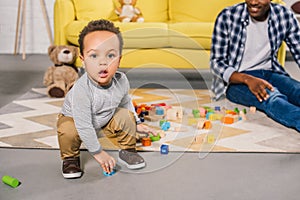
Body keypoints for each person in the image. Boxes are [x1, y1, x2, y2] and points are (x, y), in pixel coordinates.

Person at [57, 19, 157, 179]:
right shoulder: (81, 90)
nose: (103, 62)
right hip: (78, 122)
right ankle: (70, 159)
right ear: (82, 60)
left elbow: (125, 102)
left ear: (119, 59)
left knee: (126, 115)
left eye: (110, 55)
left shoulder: (121, 79)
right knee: (66, 129)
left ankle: (128, 151)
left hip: (104, 120)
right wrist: (99, 153)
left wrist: (137, 123)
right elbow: (83, 126)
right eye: (94, 55)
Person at [210, 0, 300, 132]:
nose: (253, 2)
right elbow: (216, 62)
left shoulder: (284, 15)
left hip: (270, 72)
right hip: (237, 81)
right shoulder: (227, 16)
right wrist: (247, 79)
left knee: (296, 90)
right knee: (273, 98)